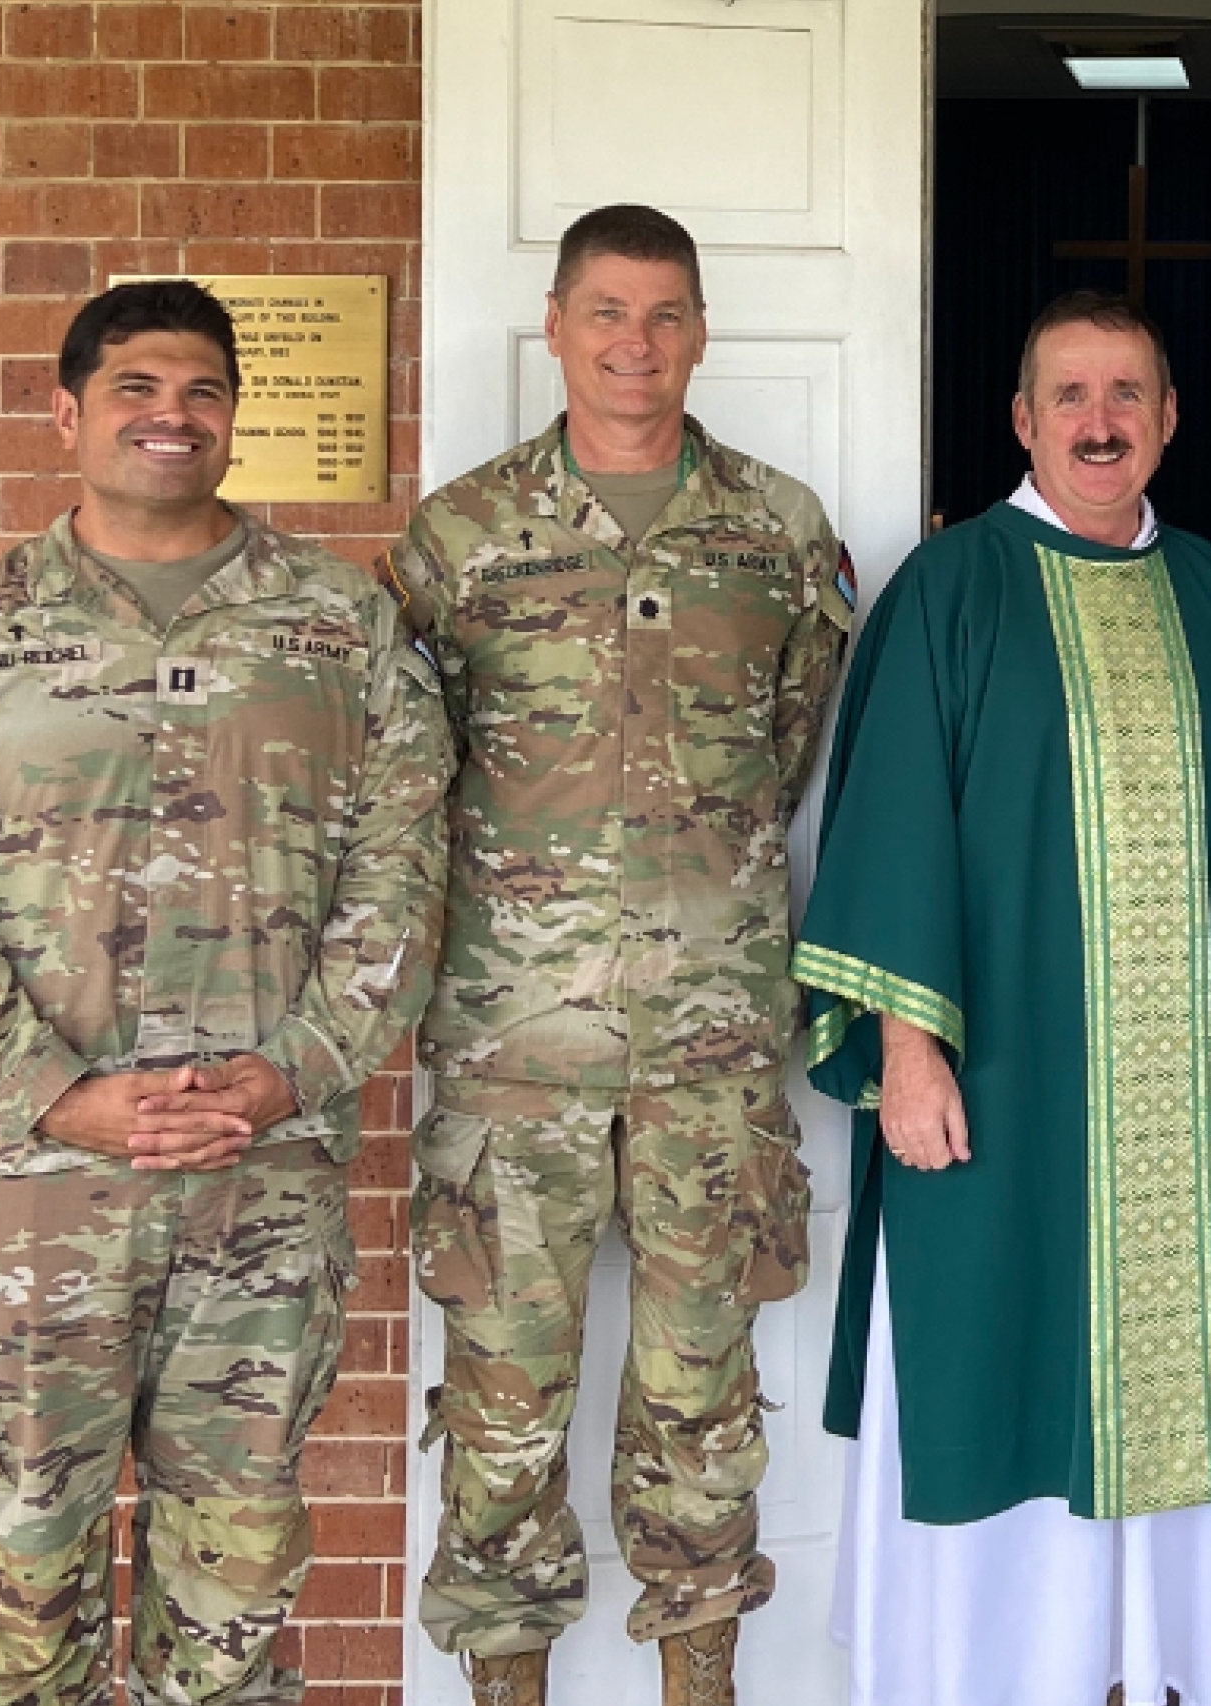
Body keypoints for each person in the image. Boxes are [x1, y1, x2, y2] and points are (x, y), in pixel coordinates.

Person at [0, 280, 451, 1706]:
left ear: (234, 418)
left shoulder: (340, 628)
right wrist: (60, 1093)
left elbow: (407, 866)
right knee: (17, 1594)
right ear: (67, 413)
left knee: (232, 1602)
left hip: (260, 1187)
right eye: (134, 387)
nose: (170, 416)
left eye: (201, 392)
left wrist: (300, 1062)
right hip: (30, 1197)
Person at [792, 289, 1211, 1706]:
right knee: (984, 1352)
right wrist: (909, 1047)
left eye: (1127, 395)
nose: (1099, 421)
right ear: (1022, 421)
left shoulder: (1202, 580)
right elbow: (896, 817)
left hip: (1156, 1094)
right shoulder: (953, 584)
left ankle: (1132, 1667)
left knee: (1149, 1380)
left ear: (1168, 419)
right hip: (993, 1072)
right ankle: (972, 1672)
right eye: (1069, 396)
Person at [383, 204, 851, 1706]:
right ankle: (507, 1687)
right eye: (606, 313)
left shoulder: (780, 533)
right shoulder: (457, 538)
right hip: (513, 1055)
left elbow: (789, 750)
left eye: (663, 315)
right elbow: (407, 771)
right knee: (506, 1397)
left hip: (711, 1053)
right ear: (557, 327)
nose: (634, 344)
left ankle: (699, 1678)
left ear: (701, 332)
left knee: (702, 1393)